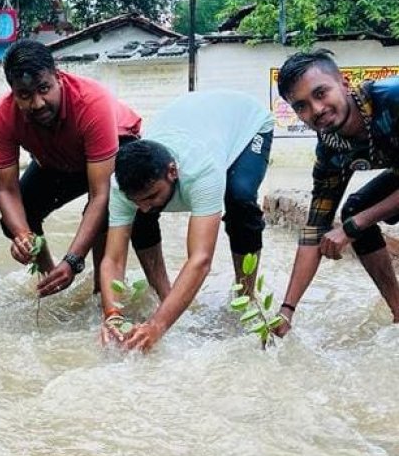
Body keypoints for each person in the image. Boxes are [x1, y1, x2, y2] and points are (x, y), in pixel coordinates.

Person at [100, 89, 274, 352]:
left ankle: (246, 296)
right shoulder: (119, 186)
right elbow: (112, 259)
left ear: (173, 172)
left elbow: (200, 259)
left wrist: (157, 326)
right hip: (192, 121)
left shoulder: (201, 170)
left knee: (239, 199)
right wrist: (112, 313)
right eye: (137, 200)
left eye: (151, 195)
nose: (145, 206)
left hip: (246, 125)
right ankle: (165, 295)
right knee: (141, 219)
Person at [0, 38, 141, 296]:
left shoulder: (92, 101)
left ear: (58, 77)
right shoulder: (4, 117)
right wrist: (23, 236)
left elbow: (100, 195)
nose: (38, 103)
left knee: (105, 210)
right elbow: (6, 191)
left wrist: (73, 259)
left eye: (44, 88)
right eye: (25, 95)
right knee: (16, 217)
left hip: (117, 145)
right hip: (60, 160)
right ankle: (50, 280)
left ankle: (101, 290)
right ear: (13, 93)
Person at [272, 50, 399, 334]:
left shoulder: (392, 97)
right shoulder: (331, 147)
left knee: (356, 219)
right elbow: (314, 230)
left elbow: (355, 225)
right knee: (354, 209)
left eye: (321, 93)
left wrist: (354, 226)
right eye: (301, 106)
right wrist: (287, 311)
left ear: (343, 82)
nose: (316, 110)